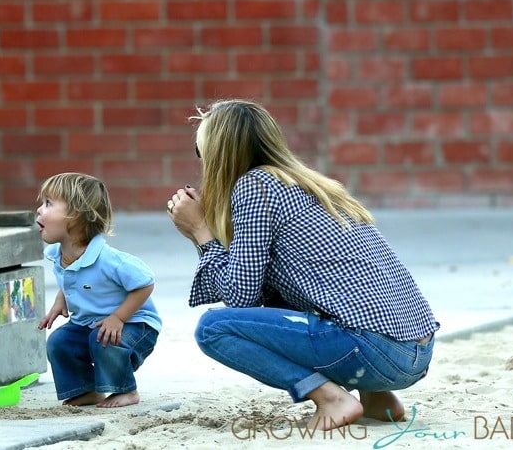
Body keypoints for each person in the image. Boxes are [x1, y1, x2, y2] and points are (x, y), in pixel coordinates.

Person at [166, 99, 439, 430]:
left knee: (213, 328)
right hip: (416, 353)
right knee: (289, 302)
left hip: (374, 351)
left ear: (217, 153)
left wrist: (201, 233)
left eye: (201, 152)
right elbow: (267, 299)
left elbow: (240, 299)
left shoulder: (255, 187)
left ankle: (332, 398)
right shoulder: (308, 184)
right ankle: (377, 397)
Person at [36, 172, 161, 408]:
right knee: (59, 341)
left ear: (75, 216)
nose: (40, 210)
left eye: (48, 204)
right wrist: (59, 301)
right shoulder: (57, 255)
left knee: (103, 338)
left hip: (135, 325)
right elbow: (69, 277)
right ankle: (88, 390)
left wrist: (118, 317)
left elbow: (145, 283)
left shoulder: (108, 260)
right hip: (91, 324)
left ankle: (126, 390)